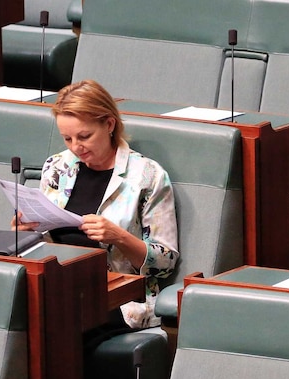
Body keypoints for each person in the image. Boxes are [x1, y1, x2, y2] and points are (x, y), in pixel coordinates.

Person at [12, 79, 179, 331]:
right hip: (60, 286)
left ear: (109, 124)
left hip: (119, 298)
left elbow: (165, 262)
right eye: (67, 138)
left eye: (84, 136)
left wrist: (119, 236)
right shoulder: (57, 167)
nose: (75, 147)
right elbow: (45, 242)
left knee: (55, 321)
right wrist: (26, 232)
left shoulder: (147, 176)